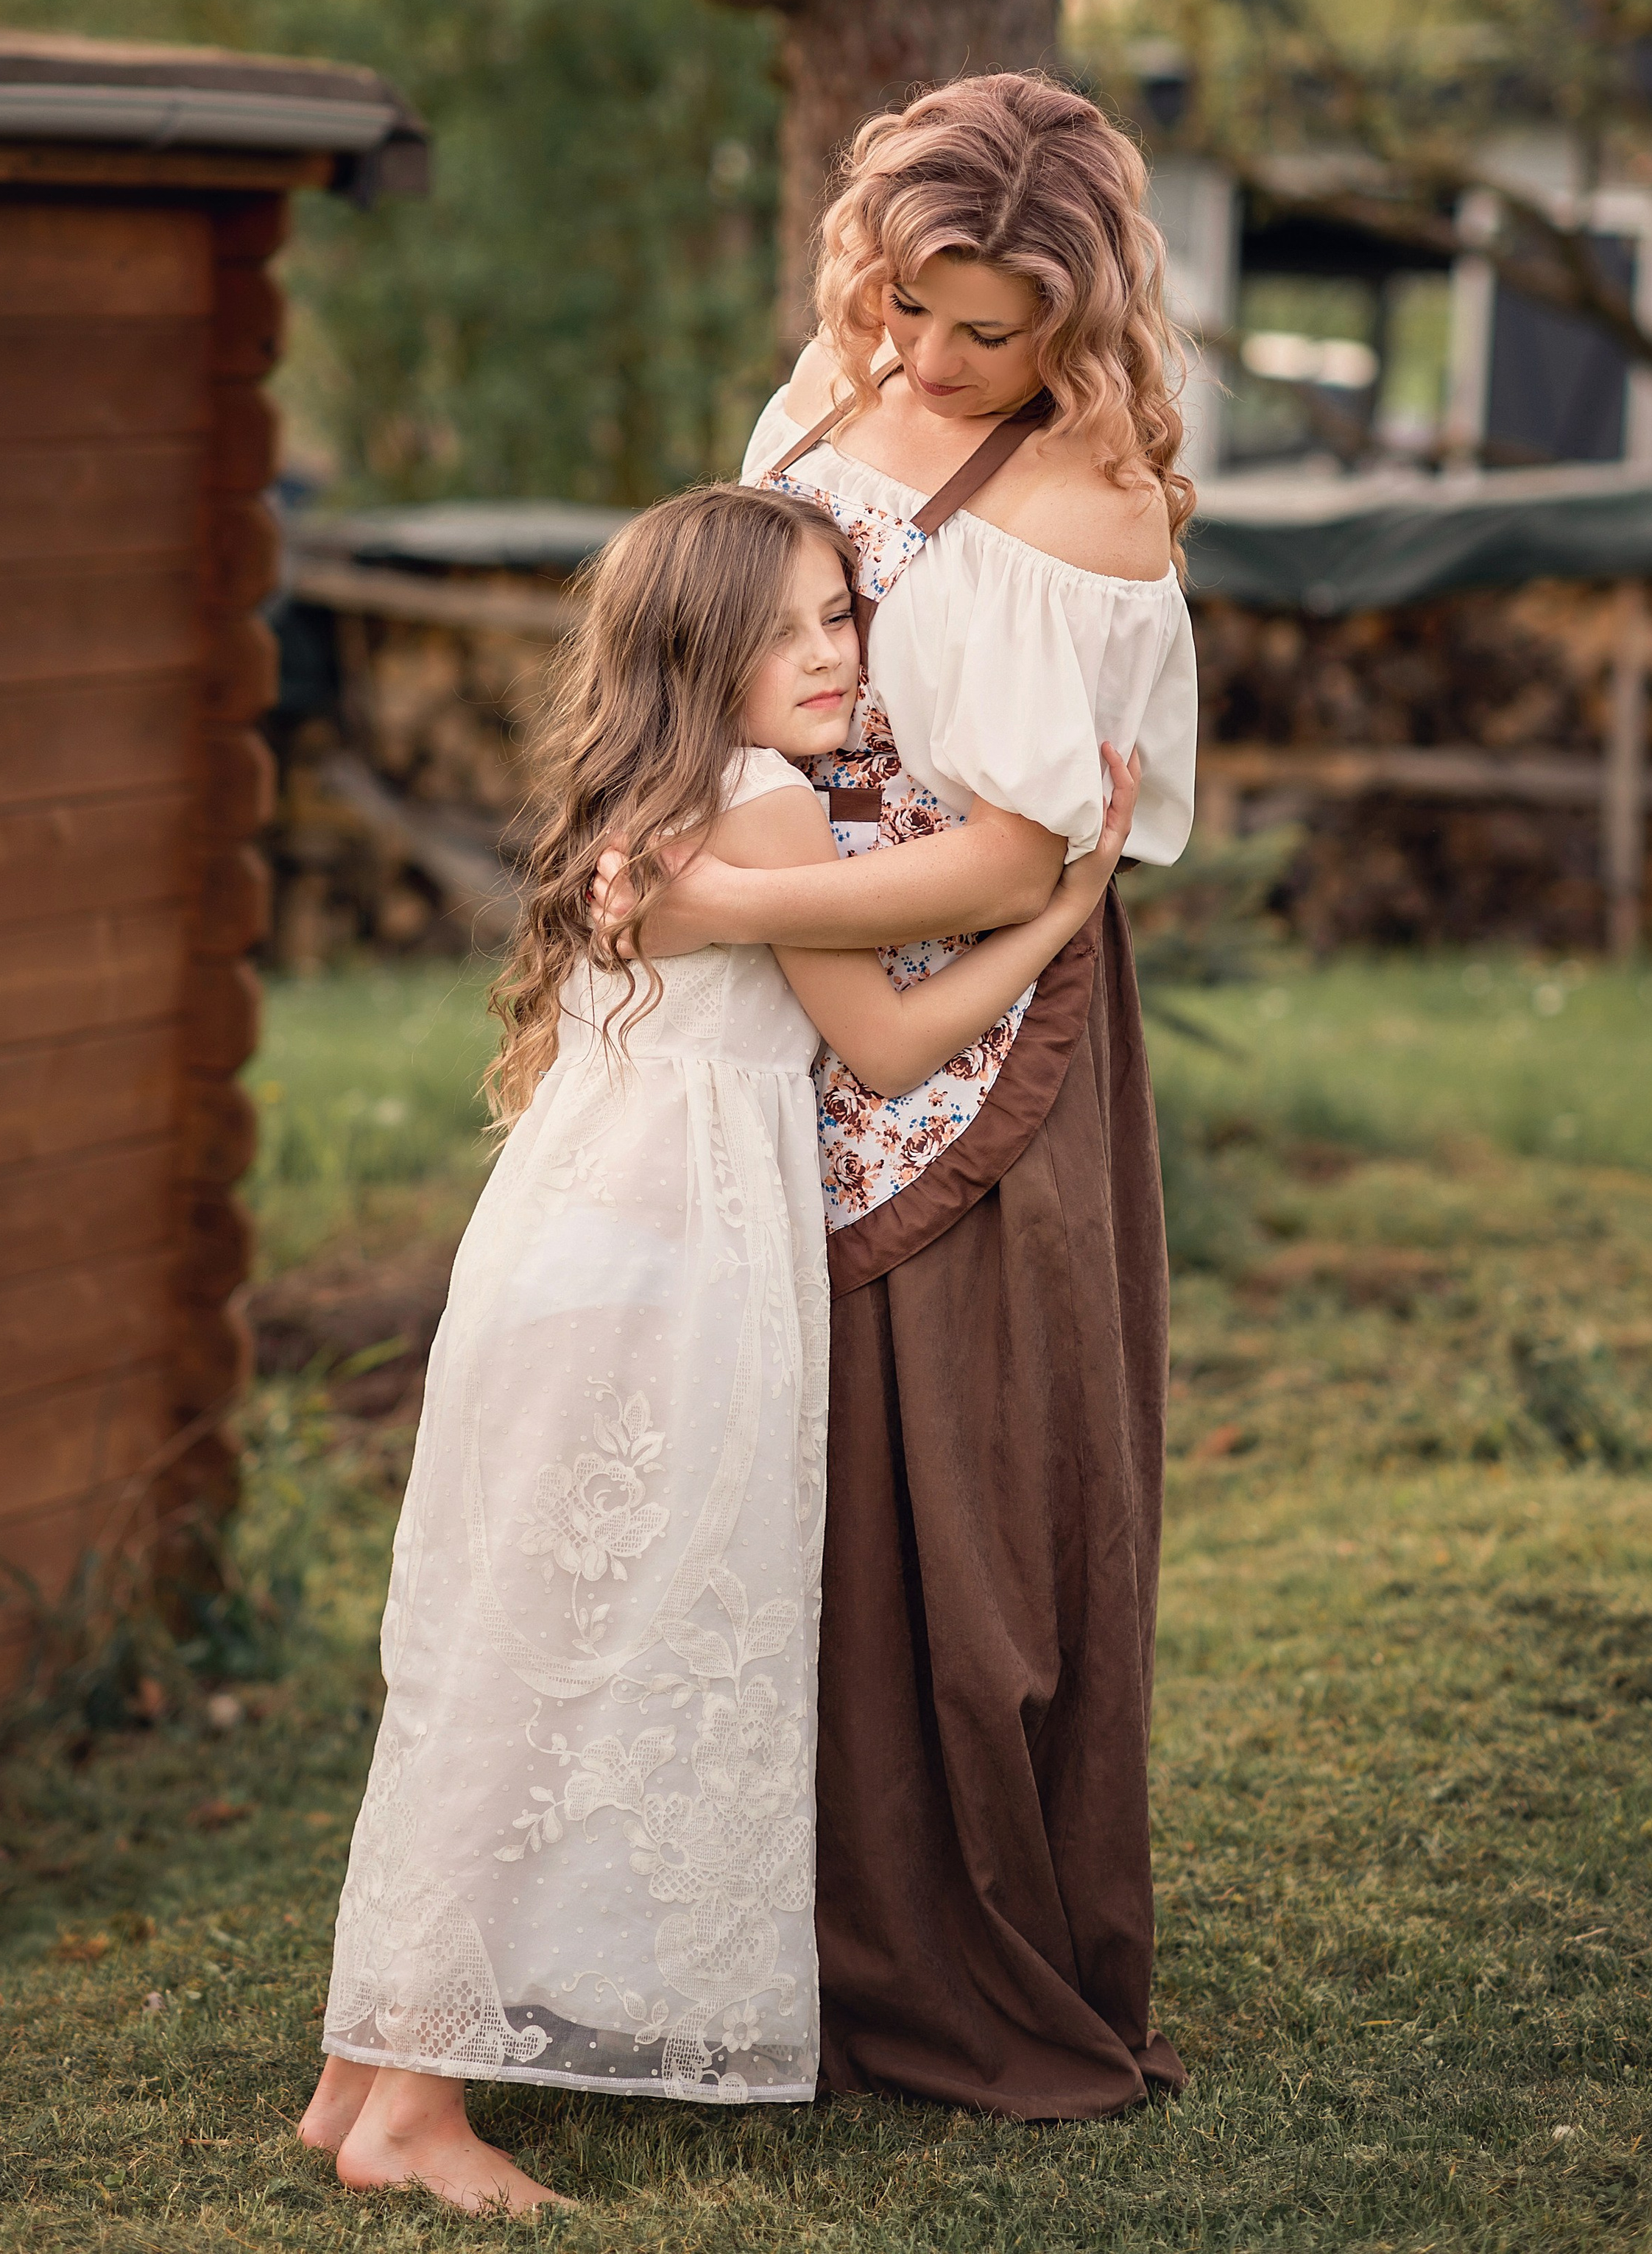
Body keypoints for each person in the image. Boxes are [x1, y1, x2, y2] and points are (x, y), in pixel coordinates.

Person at [297, 482, 1143, 2212]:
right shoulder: (764, 819)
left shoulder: (660, 800)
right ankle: (416, 2110)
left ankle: (360, 2074)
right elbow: (894, 1043)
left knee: (490, 1648)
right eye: (790, 629)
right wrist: (1061, 919)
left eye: (844, 612)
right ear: (702, 651)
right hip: (662, 1276)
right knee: (560, 1665)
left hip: (563, 1245)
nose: (834, 650)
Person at [618, 73, 1199, 2121]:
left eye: (991, 332)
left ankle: (958, 1954)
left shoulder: (1087, 507)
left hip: (977, 1039)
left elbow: (1014, 863)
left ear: (1081, 323)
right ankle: (774, 1933)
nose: (932, 361)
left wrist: (716, 903)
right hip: (790, 980)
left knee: (965, 1502)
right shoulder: (830, 385)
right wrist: (729, 888)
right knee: (780, 1475)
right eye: (910, 309)